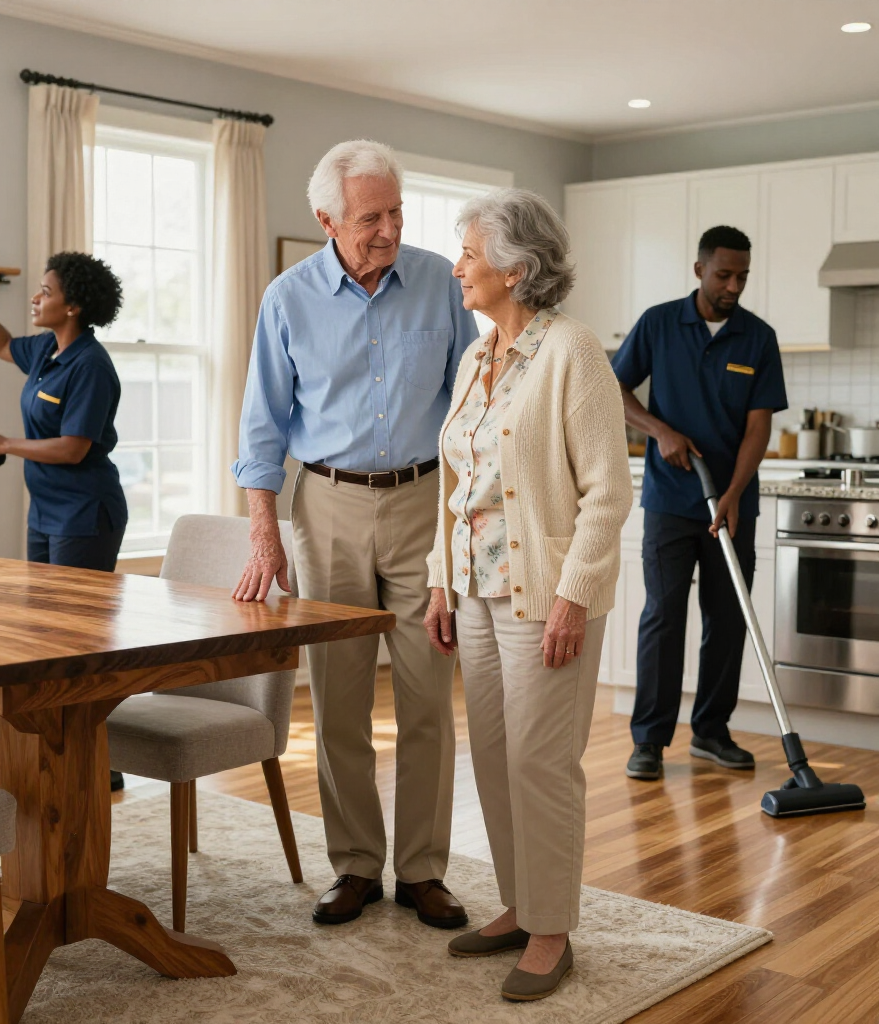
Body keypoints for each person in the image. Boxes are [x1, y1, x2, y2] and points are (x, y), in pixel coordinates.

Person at [232, 140, 478, 929]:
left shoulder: (442, 282)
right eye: (371, 217)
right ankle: (355, 865)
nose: (388, 229)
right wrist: (264, 536)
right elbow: (261, 428)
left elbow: (471, 403)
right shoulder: (288, 298)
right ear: (327, 219)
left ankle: (424, 870)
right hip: (327, 507)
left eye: (397, 212)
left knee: (427, 700)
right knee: (338, 701)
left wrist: (468, 514)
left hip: (422, 505)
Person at [424, 188, 631, 1001]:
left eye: (468, 253)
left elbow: (608, 494)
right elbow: (457, 483)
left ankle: (552, 930)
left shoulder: (572, 353)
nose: (458, 267)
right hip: (474, 592)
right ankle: (519, 904)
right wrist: (442, 582)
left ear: (515, 266)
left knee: (543, 763)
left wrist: (574, 596)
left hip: (543, 596)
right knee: (496, 758)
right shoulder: (478, 359)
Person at [0, 250, 129, 789]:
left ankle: (97, 757)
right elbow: (3, 345)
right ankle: (61, 748)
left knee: (79, 639)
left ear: (71, 306)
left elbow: (74, 448)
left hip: (85, 512)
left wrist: (7, 444)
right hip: (46, 510)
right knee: (45, 637)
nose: (36, 297)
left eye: (44, 291)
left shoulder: (91, 366)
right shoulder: (49, 350)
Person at [611, 226, 788, 782]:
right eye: (724, 275)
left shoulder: (758, 338)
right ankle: (649, 742)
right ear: (699, 270)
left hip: (732, 503)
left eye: (742, 277)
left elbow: (759, 428)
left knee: (727, 618)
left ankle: (712, 732)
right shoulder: (660, 324)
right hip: (669, 499)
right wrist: (658, 430)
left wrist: (735, 494)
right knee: (663, 617)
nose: (733, 285)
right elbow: (611, 390)